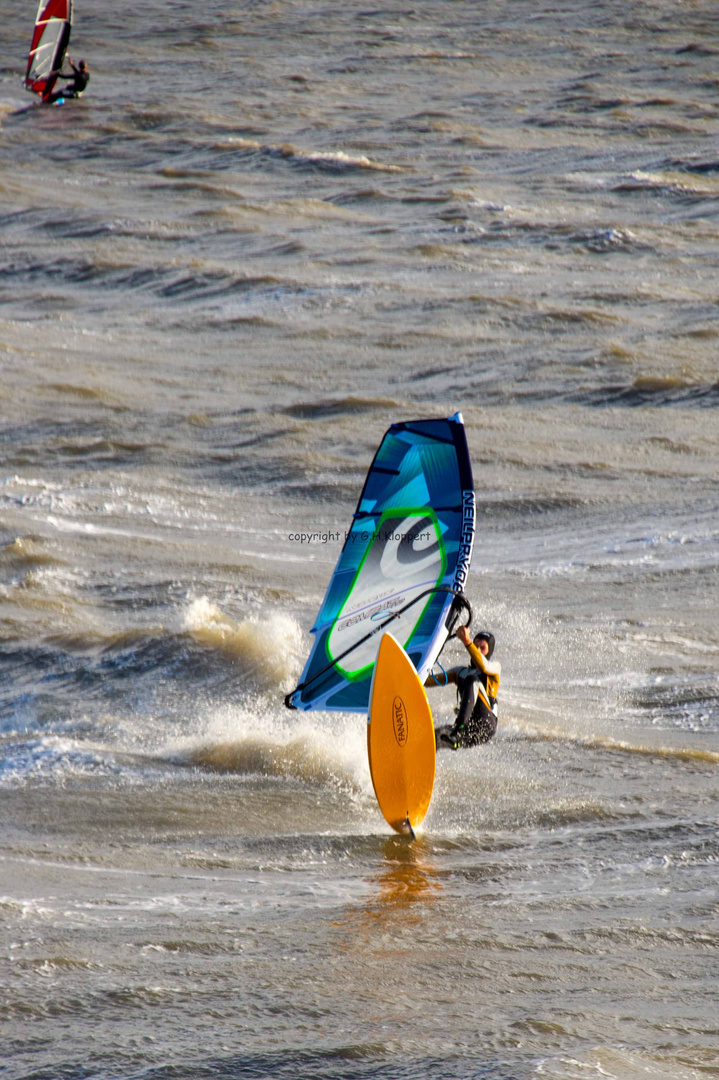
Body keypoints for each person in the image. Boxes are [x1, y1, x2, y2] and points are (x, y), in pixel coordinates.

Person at [426, 625, 501, 750]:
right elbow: (428, 681)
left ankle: (459, 729)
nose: (477, 649)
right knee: (437, 736)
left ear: (490, 651)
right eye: (476, 646)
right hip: (468, 730)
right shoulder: (460, 672)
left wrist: (467, 641)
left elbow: (483, 666)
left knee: (472, 681)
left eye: (482, 648)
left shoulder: (494, 668)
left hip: (485, 725)